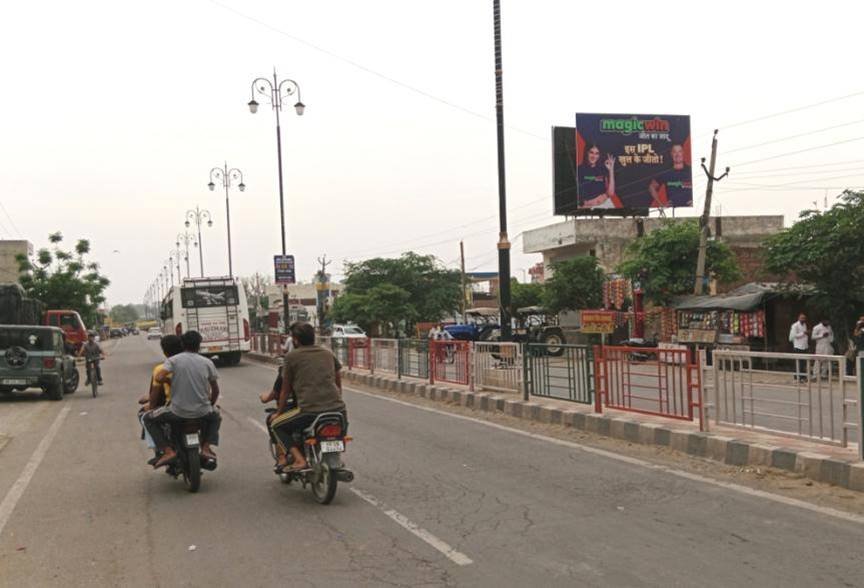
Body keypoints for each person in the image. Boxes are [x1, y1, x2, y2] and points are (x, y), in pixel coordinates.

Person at [270, 322, 347, 472]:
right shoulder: (327, 353)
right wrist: (337, 399)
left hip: (309, 411)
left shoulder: (291, 357)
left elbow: (285, 390)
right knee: (339, 432)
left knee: (276, 426)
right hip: (339, 410)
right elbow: (338, 380)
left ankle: (299, 460)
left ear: (296, 340)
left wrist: (278, 413)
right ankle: (335, 456)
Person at [144, 330, 222, 468]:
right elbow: (215, 390)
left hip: (177, 412)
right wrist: (210, 404)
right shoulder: (207, 362)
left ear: (183, 344)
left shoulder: (173, 361)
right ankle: (206, 447)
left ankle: (168, 451)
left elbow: (159, 377)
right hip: (203, 411)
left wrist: (170, 381)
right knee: (216, 416)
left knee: (148, 418)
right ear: (199, 345)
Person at [138, 335, 184, 465]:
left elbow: (155, 395)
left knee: (146, 417)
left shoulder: (161, 369)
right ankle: (205, 446)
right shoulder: (196, 364)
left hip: (173, 407)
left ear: (165, 351)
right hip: (198, 407)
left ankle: (164, 450)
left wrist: (151, 406)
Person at [648, 143, 692, 208]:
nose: (677, 155)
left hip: (690, 210)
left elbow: (701, 185)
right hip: (672, 210)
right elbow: (651, 187)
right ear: (671, 154)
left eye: (679, 151)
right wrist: (661, 205)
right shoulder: (666, 172)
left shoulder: (690, 170)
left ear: (683, 152)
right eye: (674, 152)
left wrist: (695, 201)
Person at [578, 143, 617, 209]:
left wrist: (611, 170)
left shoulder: (602, 169)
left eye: (597, 153)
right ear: (586, 153)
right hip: (588, 208)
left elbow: (610, 193)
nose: (594, 156)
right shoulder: (579, 170)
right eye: (591, 152)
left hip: (606, 204)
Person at [789, 314, 809, 382]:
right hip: (798, 346)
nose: (803, 319)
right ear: (799, 318)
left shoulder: (804, 325)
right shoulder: (795, 325)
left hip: (804, 346)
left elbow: (804, 334)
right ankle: (797, 377)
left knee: (803, 363)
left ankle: (802, 377)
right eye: (802, 318)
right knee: (798, 362)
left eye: (804, 318)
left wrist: (805, 333)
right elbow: (794, 335)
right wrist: (803, 333)